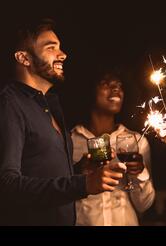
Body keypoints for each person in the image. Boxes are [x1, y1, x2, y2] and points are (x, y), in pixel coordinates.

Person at [0, 19, 124, 225]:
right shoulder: (9, 104)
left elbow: (41, 172)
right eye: (51, 48)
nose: (63, 54)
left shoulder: (49, 105)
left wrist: (79, 170)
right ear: (23, 58)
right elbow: (7, 184)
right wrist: (83, 184)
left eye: (60, 47)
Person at [71, 70, 166, 225]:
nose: (116, 89)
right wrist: (79, 174)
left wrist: (139, 174)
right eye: (106, 83)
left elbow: (144, 205)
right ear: (89, 89)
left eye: (119, 85)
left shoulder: (137, 142)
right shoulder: (70, 140)